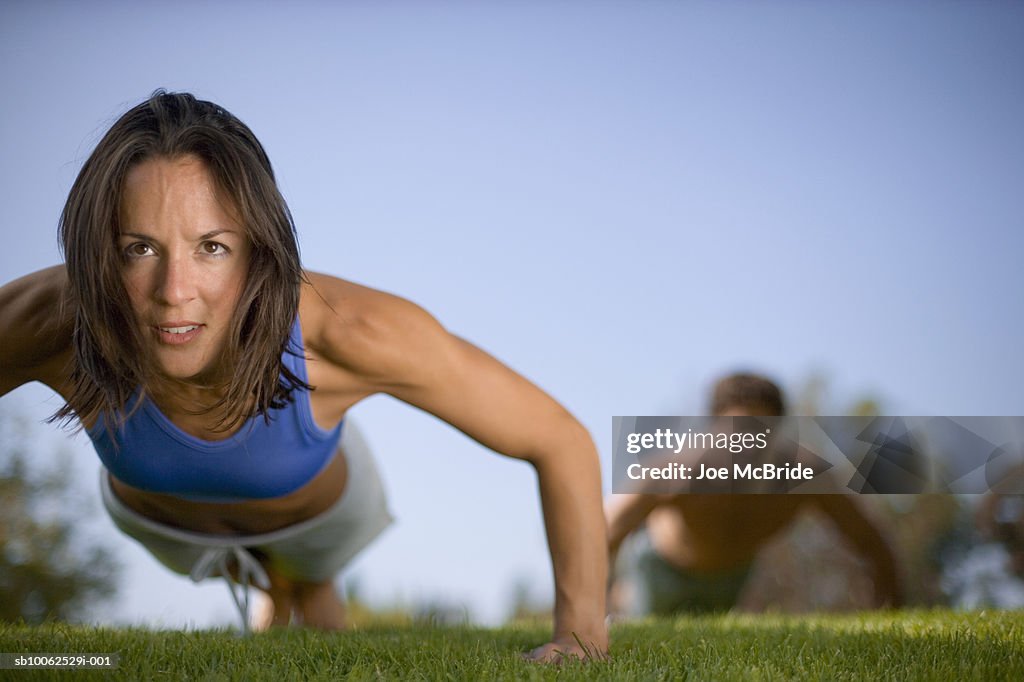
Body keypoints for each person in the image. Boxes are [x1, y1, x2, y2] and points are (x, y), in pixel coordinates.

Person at [0, 91, 606, 661]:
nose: (174, 293)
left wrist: (582, 636)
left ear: (258, 249)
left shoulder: (349, 332)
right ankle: (275, 585)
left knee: (311, 601)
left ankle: (300, 581)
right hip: (168, 529)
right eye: (140, 249)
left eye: (211, 247)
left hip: (320, 522)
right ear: (97, 251)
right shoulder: (48, 321)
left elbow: (559, 440)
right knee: (283, 603)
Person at [605, 372, 903, 615]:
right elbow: (603, 533)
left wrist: (891, 610)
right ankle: (624, 597)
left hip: (733, 576)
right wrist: (590, 605)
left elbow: (870, 540)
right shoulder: (679, 469)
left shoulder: (807, 476)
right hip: (662, 569)